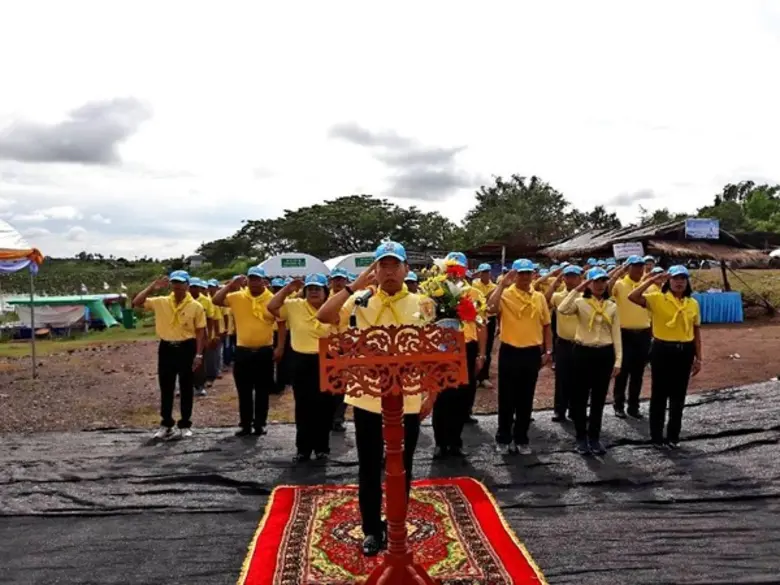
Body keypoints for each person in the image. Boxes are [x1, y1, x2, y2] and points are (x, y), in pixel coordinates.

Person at [317, 241, 435, 557]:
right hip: (367, 396)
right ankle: (372, 529)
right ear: (375, 270)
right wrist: (351, 288)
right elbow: (325, 314)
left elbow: (434, 353)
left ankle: (396, 523)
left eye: (395, 264)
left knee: (403, 465)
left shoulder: (423, 303)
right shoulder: (358, 301)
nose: (389, 271)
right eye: (382, 264)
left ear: (406, 269)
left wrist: (431, 394)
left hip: (408, 397)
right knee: (368, 465)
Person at [628, 266, 702, 449]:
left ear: (687, 282)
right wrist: (651, 280)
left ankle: (673, 436)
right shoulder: (657, 299)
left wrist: (699, 358)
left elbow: (696, 331)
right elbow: (633, 296)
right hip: (662, 350)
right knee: (659, 394)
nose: (679, 282)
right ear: (668, 281)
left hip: (685, 351)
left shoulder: (692, 303)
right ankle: (656, 436)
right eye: (675, 279)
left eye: (683, 279)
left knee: (679, 395)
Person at [487, 258, 552, 455]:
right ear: (514, 274)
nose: (524, 277)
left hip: (531, 353)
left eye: (528, 273)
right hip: (510, 351)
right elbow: (490, 308)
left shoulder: (539, 296)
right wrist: (501, 285)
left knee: (526, 398)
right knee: (506, 397)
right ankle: (503, 437)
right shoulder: (505, 294)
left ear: (533, 274)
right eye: (520, 273)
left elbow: (546, 325)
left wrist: (548, 351)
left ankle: (522, 438)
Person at [268, 273, 336, 462]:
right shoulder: (294, 305)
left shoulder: (333, 307)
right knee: (304, 406)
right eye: (310, 289)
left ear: (325, 292)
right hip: (301, 361)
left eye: (318, 288)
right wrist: (287, 289)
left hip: (326, 361)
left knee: (325, 406)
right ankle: (303, 449)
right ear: (304, 291)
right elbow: (272, 307)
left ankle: (322, 448)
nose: (314, 292)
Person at [132, 271, 206, 440]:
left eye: (181, 283)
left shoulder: (196, 306)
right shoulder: (161, 302)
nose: (178, 287)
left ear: (187, 285)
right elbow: (137, 302)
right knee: (166, 387)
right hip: (166, 347)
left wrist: (199, 354)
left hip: (187, 346)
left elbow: (201, 332)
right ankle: (166, 424)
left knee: (186, 387)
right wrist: (152, 287)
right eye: (175, 283)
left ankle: (185, 424)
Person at [557, 268, 622, 455]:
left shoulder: (612, 306)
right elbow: (562, 309)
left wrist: (618, 361)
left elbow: (616, 333)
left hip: (604, 353)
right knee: (580, 397)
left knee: (599, 398)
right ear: (589, 283)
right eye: (596, 281)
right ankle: (580, 438)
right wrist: (579, 288)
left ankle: (594, 437)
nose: (600, 285)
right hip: (583, 352)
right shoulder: (580, 302)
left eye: (603, 281)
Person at [431, 252, 487, 458]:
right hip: (442, 350)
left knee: (461, 397)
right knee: (441, 396)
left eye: (459, 269)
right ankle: (440, 442)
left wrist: (481, 354)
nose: (455, 273)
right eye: (451, 269)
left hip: (467, 348)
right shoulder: (435, 291)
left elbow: (481, 326)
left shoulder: (473, 293)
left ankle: (456, 441)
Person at [213, 267, 280, 437]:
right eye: (251, 279)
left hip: (264, 351)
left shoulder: (272, 299)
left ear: (264, 281)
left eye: (258, 279)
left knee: (262, 390)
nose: (254, 282)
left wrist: (280, 347)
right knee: (244, 390)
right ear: (247, 281)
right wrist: (230, 286)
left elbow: (281, 323)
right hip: (243, 350)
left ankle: (260, 424)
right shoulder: (237, 297)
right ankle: (245, 424)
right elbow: (216, 300)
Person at [610, 255, 652, 419]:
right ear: (628, 268)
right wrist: (619, 270)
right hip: (624, 334)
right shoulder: (620, 285)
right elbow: (607, 289)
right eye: (635, 266)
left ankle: (633, 406)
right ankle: (618, 404)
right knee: (623, 371)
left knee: (638, 373)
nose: (639, 269)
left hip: (643, 333)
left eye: (641, 266)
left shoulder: (645, 286)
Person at [546, 265, 583, 422]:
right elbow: (545, 300)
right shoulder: (558, 296)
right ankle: (559, 410)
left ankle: (576, 410)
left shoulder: (586, 296)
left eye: (574, 276)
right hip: (563, 343)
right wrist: (554, 282)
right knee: (562, 378)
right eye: (567, 276)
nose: (570, 279)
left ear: (579, 278)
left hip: (581, 344)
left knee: (580, 379)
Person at [189, 278, 219, 397]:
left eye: (196, 287)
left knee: (200, 362)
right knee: (186, 362)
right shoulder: (185, 300)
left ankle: (200, 386)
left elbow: (210, 319)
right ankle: (186, 385)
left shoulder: (206, 301)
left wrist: (210, 336)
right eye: (192, 287)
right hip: (187, 335)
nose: (194, 289)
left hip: (202, 335)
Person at [329, 268, 351, 431]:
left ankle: (338, 417)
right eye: (335, 279)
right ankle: (327, 416)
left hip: (348, 347)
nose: (338, 282)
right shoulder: (325, 299)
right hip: (329, 347)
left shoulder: (353, 299)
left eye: (341, 279)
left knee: (344, 384)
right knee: (329, 384)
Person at [472, 263, 497, 394]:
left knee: (488, 348)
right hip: (477, 319)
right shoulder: (475, 285)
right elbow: (482, 301)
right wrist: (498, 289)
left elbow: (492, 305)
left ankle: (484, 377)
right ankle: (476, 376)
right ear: (479, 273)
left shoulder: (494, 286)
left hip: (490, 319)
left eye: (487, 272)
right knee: (477, 347)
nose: (485, 274)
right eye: (483, 272)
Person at [269, 278, 290, 395]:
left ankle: (281, 383)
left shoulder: (286, 301)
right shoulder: (269, 300)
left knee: (282, 359)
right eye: (275, 288)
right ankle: (270, 384)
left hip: (282, 332)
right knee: (270, 360)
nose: (276, 290)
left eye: (279, 288)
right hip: (270, 333)